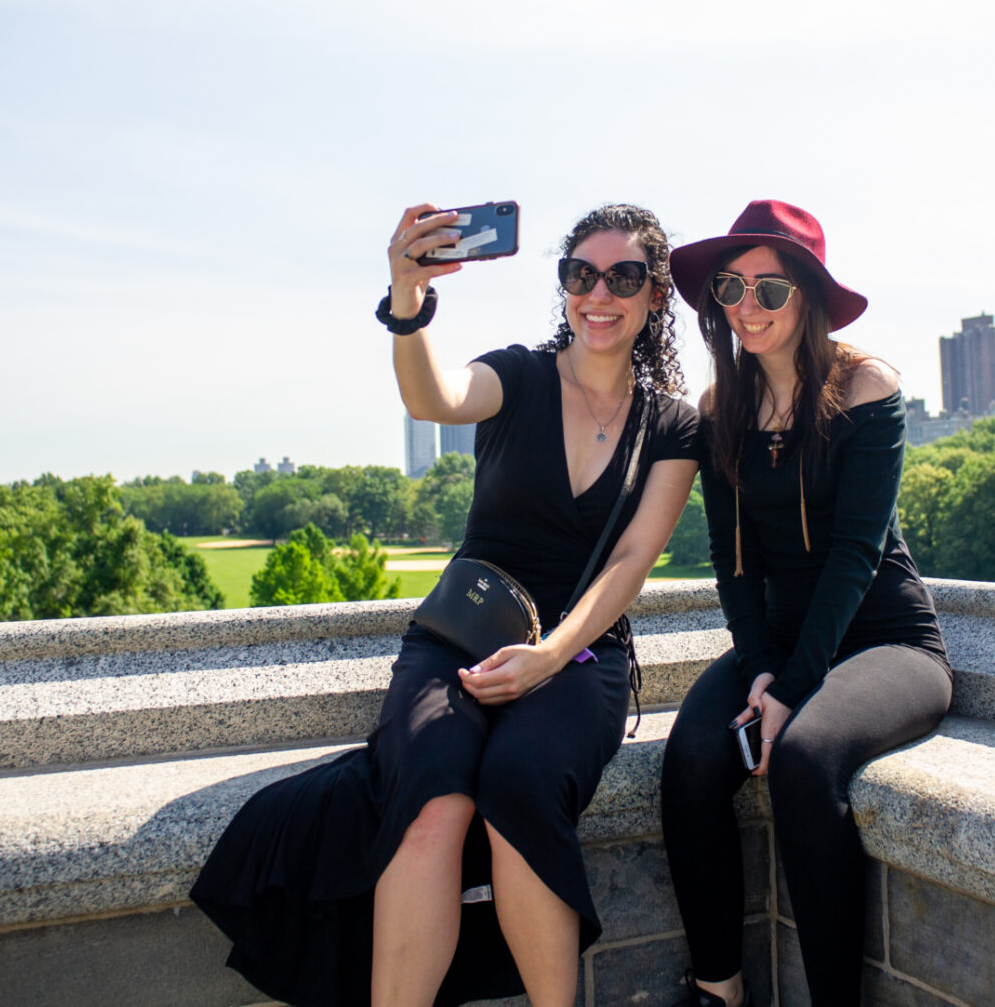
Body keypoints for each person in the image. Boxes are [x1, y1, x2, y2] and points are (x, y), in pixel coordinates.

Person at [192, 202, 700, 1007]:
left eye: (625, 277)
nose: (599, 293)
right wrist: (409, 299)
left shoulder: (671, 423)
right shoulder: (520, 375)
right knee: (433, 792)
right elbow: (433, 396)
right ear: (564, 286)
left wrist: (549, 655)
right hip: (461, 629)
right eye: (581, 274)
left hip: (584, 650)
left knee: (522, 784)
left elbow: (633, 561)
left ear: (655, 295)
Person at [658, 200, 952, 1007]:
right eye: (729, 288)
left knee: (802, 759)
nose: (746, 308)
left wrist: (793, 688)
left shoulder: (865, 387)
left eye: (769, 291)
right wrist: (760, 667)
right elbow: (733, 561)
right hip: (781, 644)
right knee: (688, 759)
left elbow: (858, 555)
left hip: (887, 641)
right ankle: (717, 988)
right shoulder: (720, 409)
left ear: (809, 298)